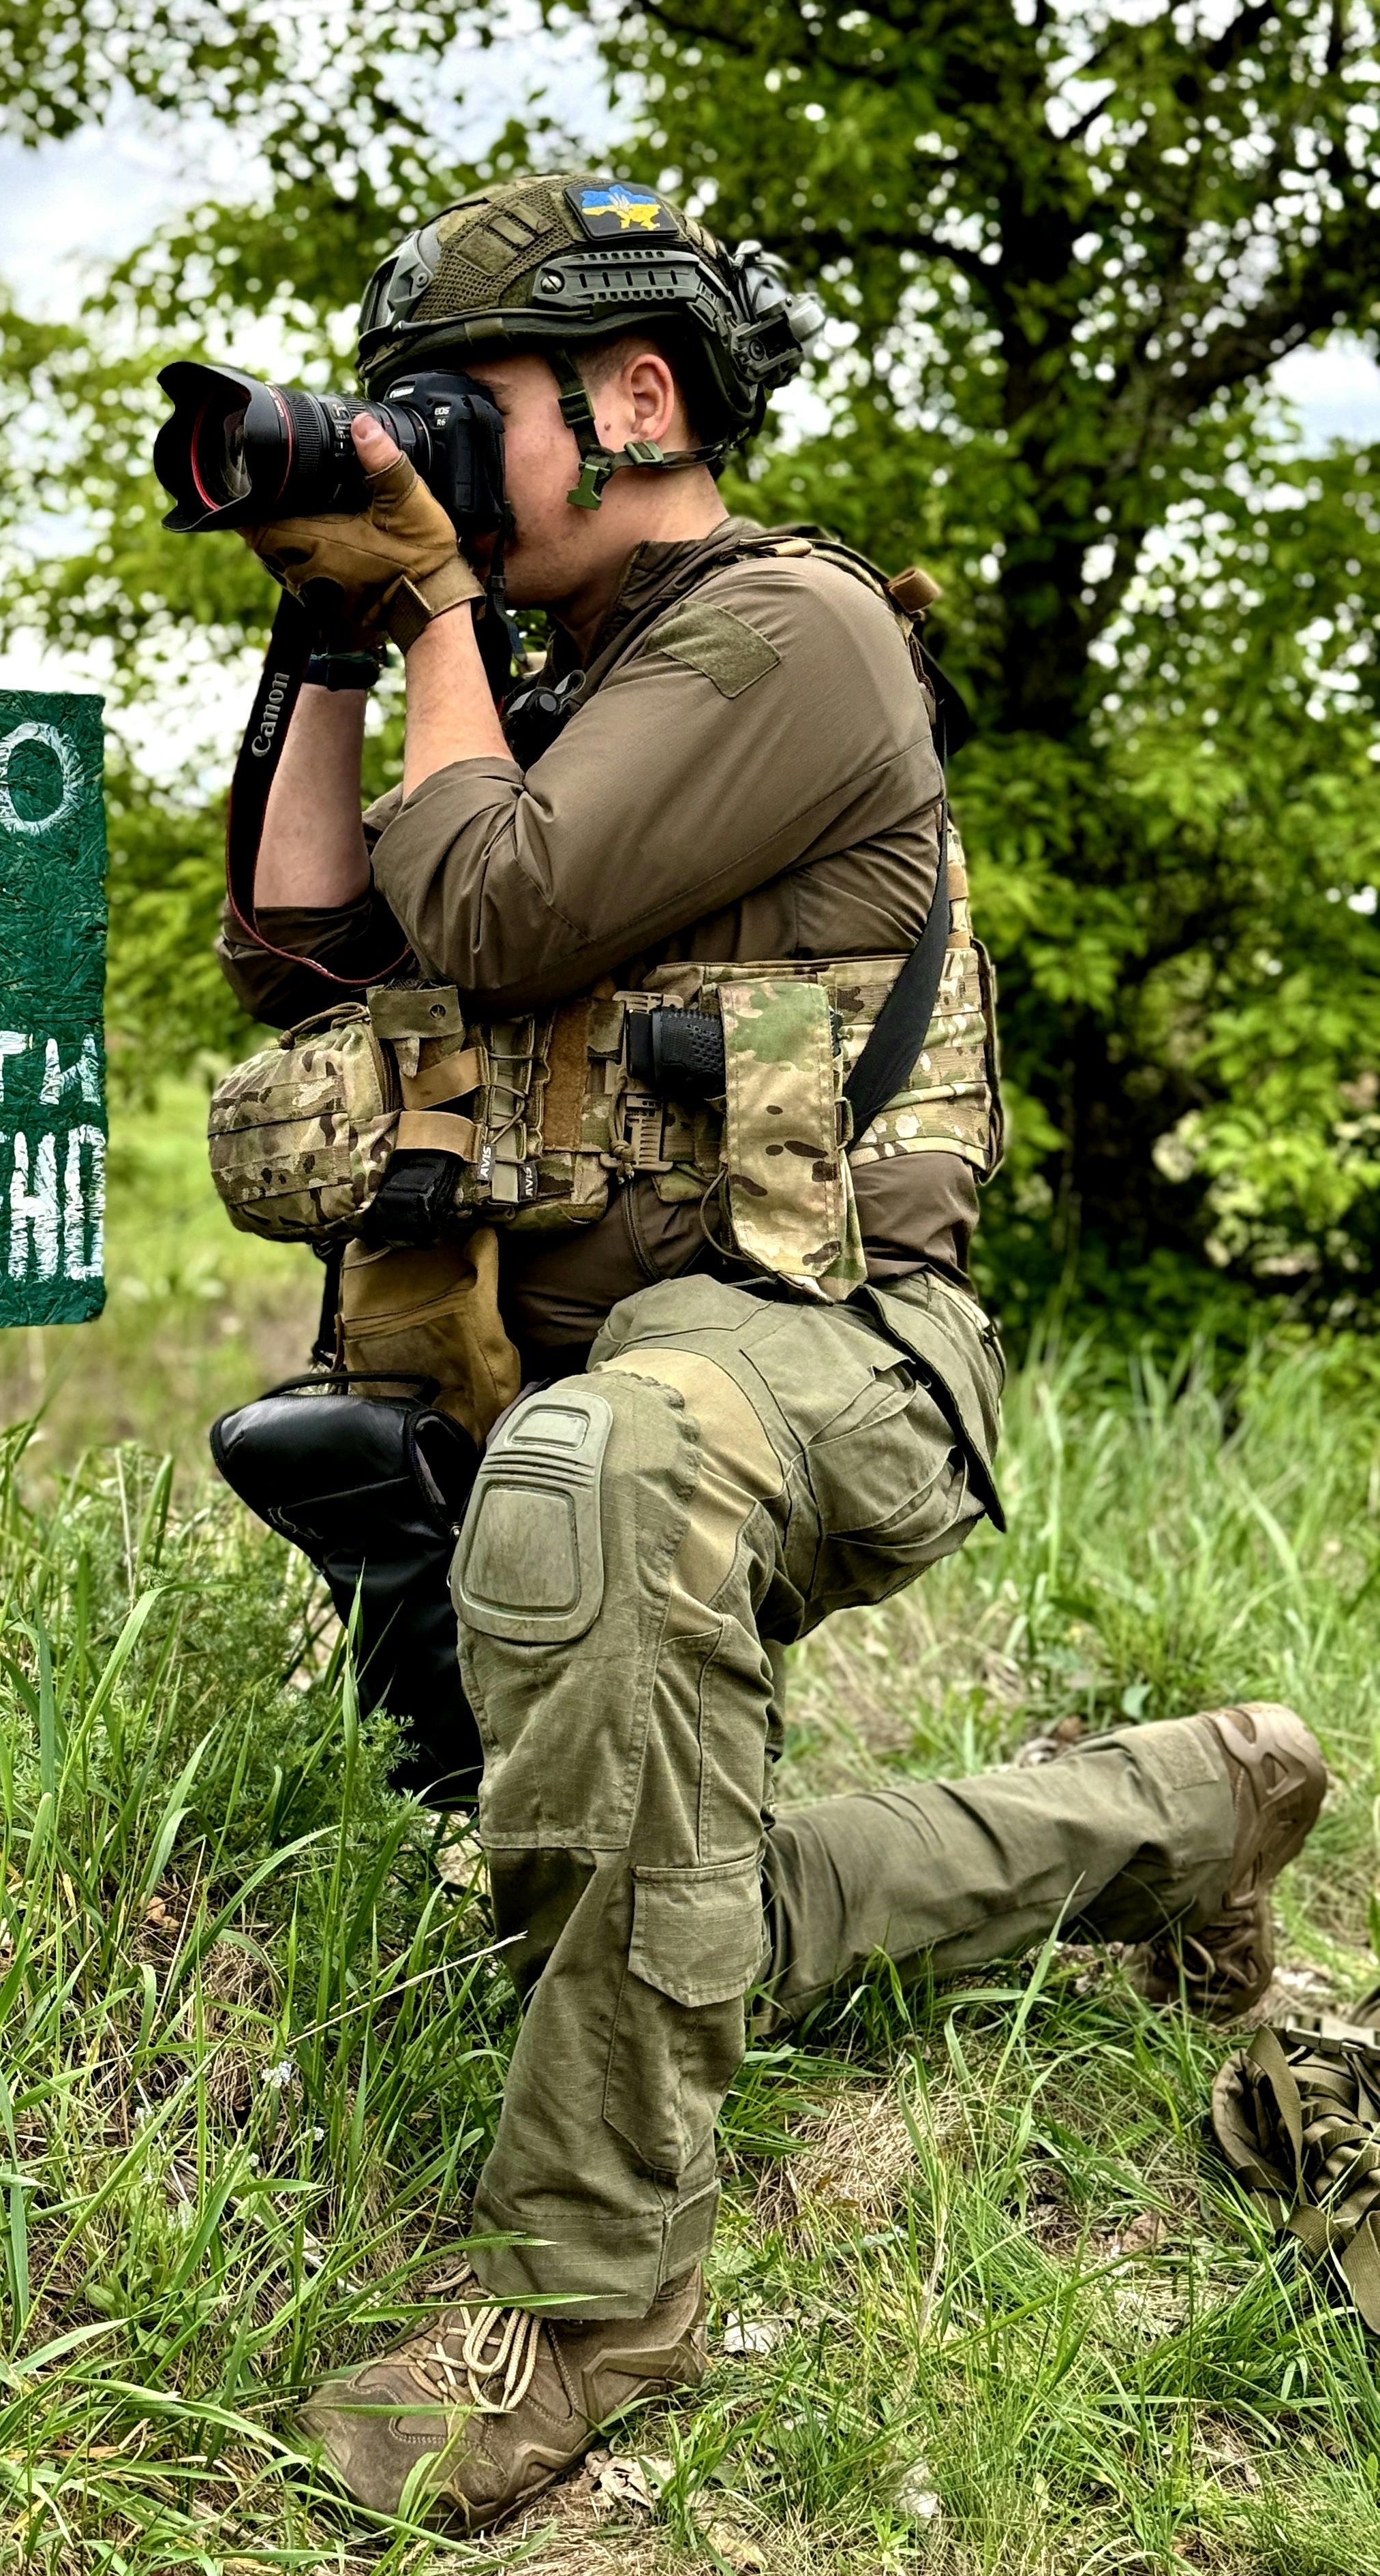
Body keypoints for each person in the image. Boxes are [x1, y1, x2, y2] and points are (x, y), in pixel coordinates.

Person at [211, 172, 1328, 2532]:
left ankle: (595, 2296)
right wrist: (339, 633)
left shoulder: (785, 629)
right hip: (593, 1378)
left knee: (596, 1500)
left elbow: (497, 907)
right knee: (653, 1910)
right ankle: (1184, 1806)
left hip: (846, 1342)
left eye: (459, 414)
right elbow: (309, 950)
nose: (423, 460)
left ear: (634, 401)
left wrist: (422, 598)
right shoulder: (538, 673)